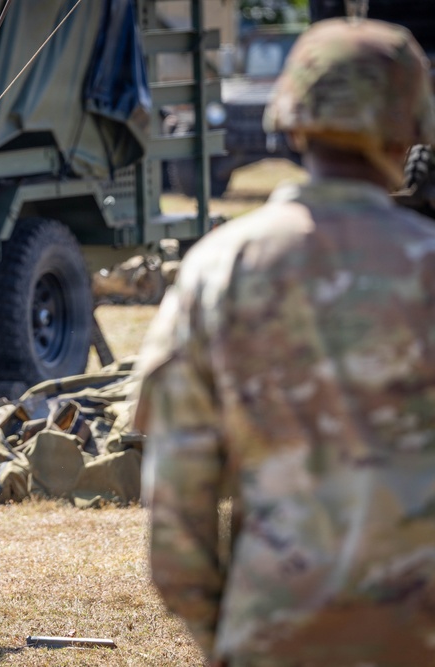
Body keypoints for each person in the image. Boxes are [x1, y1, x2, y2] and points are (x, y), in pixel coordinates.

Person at [132, 18, 435, 667]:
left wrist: (231, 637)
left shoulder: (219, 268)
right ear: (411, 126)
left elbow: (176, 508)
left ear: (291, 117)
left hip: (272, 630)